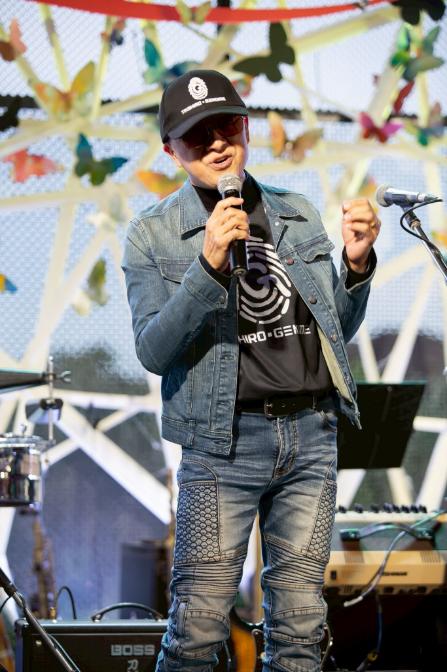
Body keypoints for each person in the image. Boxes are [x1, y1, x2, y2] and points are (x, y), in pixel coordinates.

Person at [122, 69, 380, 672]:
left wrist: (355, 265)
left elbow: (333, 329)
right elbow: (153, 351)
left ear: (246, 128)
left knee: (301, 630)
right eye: (197, 136)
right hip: (223, 446)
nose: (217, 144)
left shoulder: (297, 212)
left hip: (311, 436)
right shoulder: (151, 235)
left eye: (227, 126)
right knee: (197, 630)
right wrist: (208, 266)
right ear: (171, 151)